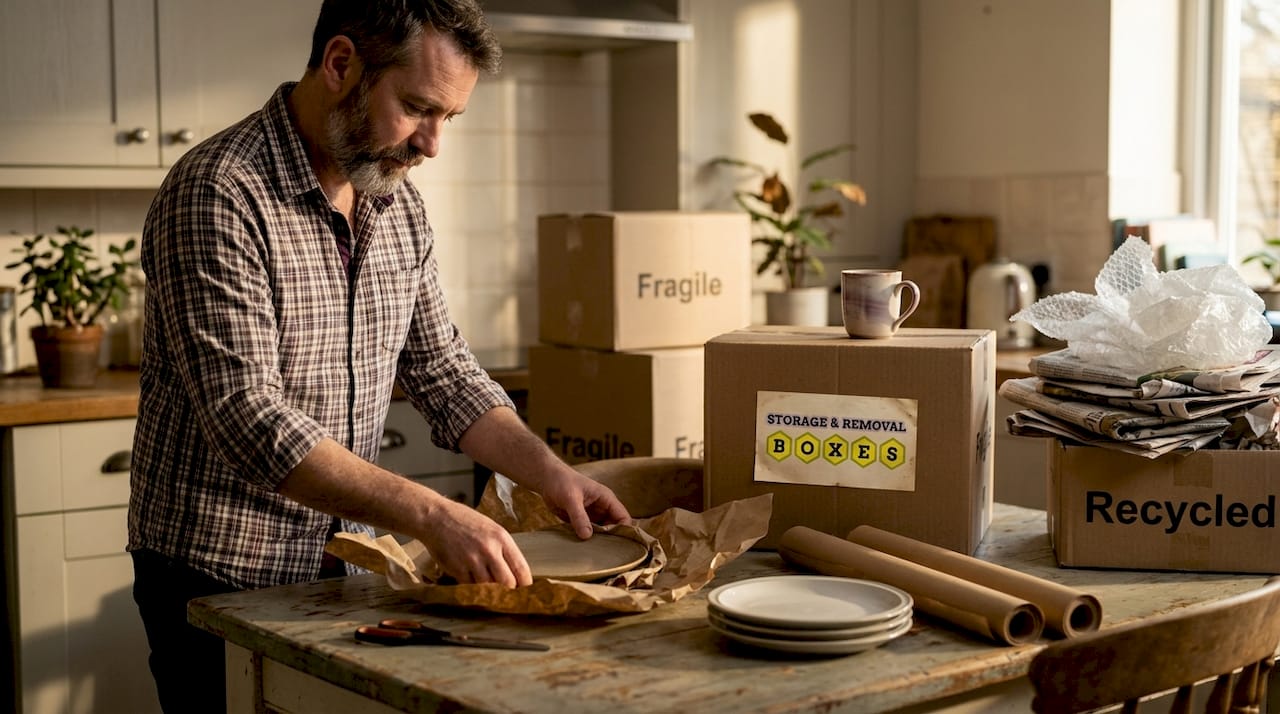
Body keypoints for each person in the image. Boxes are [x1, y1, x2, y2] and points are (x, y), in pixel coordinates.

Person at [127, 1, 631, 711]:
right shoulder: (217, 192)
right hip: (219, 576)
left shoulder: (395, 201)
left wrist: (551, 475)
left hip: (343, 569)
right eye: (418, 108)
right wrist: (433, 515)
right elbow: (248, 419)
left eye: (448, 118)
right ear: (341, 66)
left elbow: (442, 369)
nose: (432, 145)